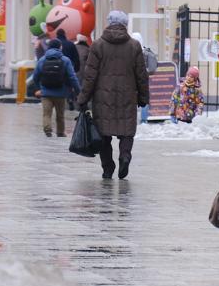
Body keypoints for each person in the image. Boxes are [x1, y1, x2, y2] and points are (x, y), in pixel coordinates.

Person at [77, 10, 149, 179]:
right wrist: (144, 97)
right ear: (125, 24)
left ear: (109, 23)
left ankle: (108, 167)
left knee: (104, 135)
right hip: (127, 97)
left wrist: (83, 99)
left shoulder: (98, 45)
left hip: (103, 99)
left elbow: (90, 76)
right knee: (127, 132)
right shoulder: (134, 46)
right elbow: (141, 74)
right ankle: (125, 156)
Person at [31, 38, 80, 137]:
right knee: (60, 115)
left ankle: (47, 129)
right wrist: (78, 90)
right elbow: (72, 77)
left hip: (45, 93)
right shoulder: (65, 60)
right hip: (61, 92)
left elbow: (35, 77)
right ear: (60, 47)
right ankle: (60, 132)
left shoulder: (42, 60)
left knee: (46, 114)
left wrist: (38, 88)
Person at [131, 32, 159, 123]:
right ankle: (143, 119)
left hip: (132, 79)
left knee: (131, 98)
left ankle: (132, 118)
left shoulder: (129, 50)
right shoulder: (145, 51)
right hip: (143, 78)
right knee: (143, 97)